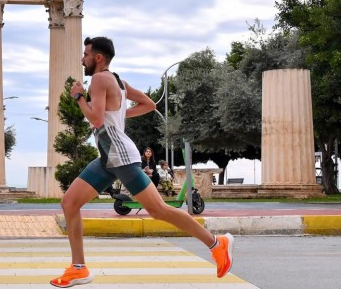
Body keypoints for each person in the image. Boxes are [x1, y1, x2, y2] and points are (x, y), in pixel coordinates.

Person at [50, 36, 233, 288]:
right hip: (108, 158)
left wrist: (79, 97)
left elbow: (95, 119)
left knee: (159, 211)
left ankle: (216, 243)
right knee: (70, 202)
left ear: (98, 57)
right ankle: (79, 268)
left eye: (86, 54)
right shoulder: (118, 82)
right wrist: (119, 113)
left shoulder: (99, 80)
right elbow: (148, 104)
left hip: (121, 157)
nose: (83, 58)